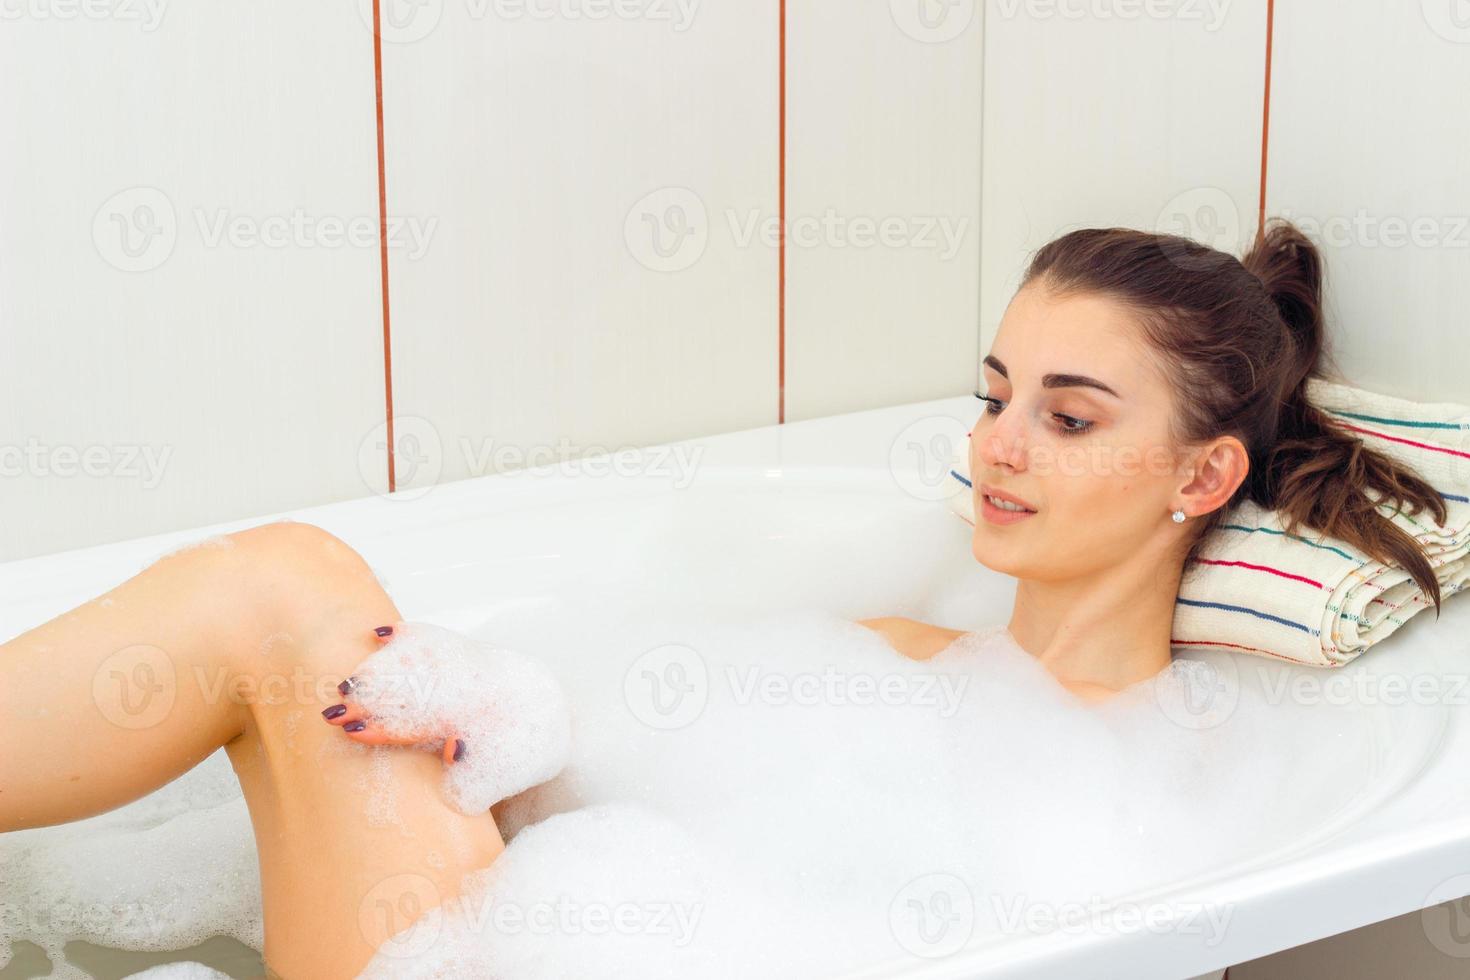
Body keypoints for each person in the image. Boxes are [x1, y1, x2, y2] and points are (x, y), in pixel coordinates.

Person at [1, 219, 1446, 978]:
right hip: (497, 936)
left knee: (286, 589)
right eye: (994, 395)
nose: (994, 447)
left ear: (1199, 480)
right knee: (295, 608)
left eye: (1067, 421)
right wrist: (488, 735)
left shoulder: (1161, 796)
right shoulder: (889, 650)